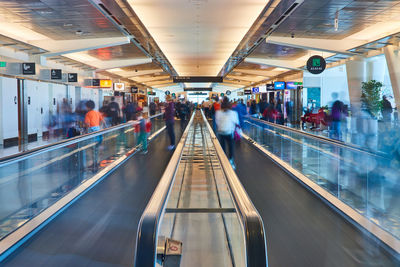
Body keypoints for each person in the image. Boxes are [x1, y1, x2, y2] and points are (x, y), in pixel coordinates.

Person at [215, 97, 239, 169]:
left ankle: (223, 161)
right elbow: (236, 122)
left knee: (222, 147)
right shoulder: (233, 113)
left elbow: (217, 122)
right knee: (231, 146)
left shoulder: (218, 112)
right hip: (229, 132)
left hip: (221, 132)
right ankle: (231, 161)